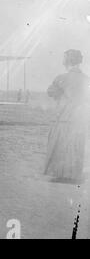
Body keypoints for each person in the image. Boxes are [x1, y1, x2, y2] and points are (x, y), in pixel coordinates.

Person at [44, 49, 90, 183]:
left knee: (59, 145)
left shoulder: (61, 78)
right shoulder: (87, 79)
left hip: (63, 118)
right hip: (80, 119)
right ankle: (73, 176)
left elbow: (50, 92)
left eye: (64, 58)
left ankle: (59, 175)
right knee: (75, 147)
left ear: (67, 60)